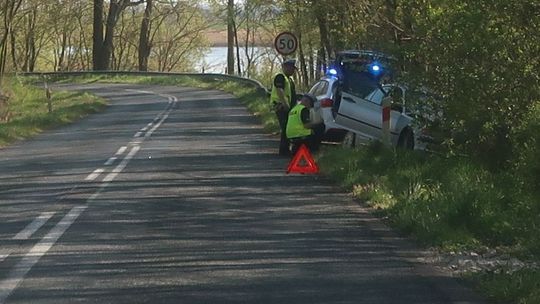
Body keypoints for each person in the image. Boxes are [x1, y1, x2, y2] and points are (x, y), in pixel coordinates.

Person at [270, 59, 297, 156]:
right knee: (285, 127)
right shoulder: (280, 77)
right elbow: (280, 91)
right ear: (285, 67)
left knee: (288, 128)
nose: (293, 70)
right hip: (281, 106)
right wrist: (285, 104)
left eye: (293, 69)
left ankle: (285, 148)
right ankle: (283, 150)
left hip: (288, 107)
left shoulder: (289, 79)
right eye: (291, 68)